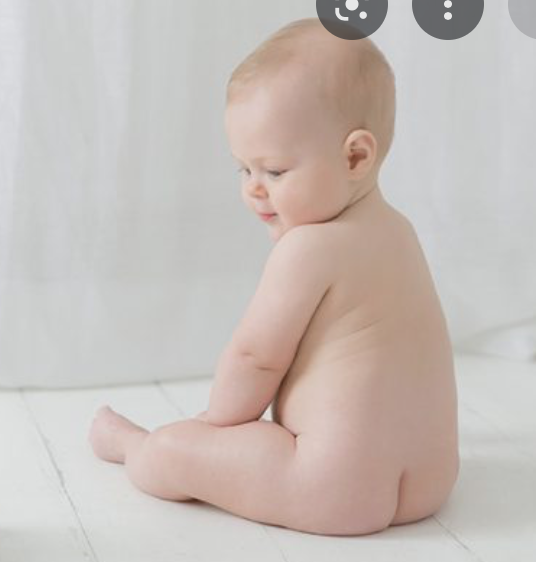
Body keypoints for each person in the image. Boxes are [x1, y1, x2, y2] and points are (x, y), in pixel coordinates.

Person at [88, 17, 459, 536]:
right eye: (244, 169)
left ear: (355, 156)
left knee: (172, 450)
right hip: (431, 480)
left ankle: (133, 447)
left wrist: (212, 431)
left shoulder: (307, 248)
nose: (254, 189)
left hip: (333, 487)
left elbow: (255, 358)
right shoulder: (399, 231)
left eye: (275, 171)